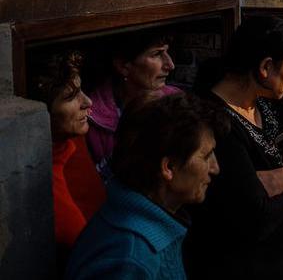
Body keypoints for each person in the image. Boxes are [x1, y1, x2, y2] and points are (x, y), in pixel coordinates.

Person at [184, 16, 283, 280]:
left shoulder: (272, 103)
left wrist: (282, 176)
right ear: (266, 67)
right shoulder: (213, 119)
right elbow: (255, 216)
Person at [65, 93, 228, 279]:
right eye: (206, 156)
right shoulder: (129, 258)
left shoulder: (143, 231)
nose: (215, 168)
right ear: (168, 167)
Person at [29, 50, 106, 274]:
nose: (88, 102)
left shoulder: (74, 140)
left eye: (81, 90)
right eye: (71, 97)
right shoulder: (40, 179)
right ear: (41, 111)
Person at [86, 29, 181, 181]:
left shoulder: (177, 101)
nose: (170, 65)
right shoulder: (89, 117)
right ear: (123, 66)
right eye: (156, 54)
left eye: (167, 52)